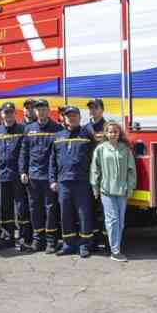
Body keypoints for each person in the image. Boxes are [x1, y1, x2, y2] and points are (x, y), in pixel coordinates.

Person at [50, 106, 95, 258]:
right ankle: (68, 245)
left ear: (79, 117)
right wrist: (52, 180)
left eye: (74, 115)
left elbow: (94, 159)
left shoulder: (87, 134)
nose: (72, 118)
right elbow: (52, 161)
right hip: (63, 182)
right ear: (64, 118)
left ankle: (85, 245)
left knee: (84, 214)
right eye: (69, 116)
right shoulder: (57, 136)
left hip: (82, 181)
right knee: (65, 214)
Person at [19, 99, 63, 253]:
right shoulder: (29, 129)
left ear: (48, 110)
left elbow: (59, 155)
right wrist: (23, 171)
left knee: (50, 209)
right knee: (35, 209)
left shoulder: (57, 129)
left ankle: (51, 241)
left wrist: (55, 177)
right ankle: (38, 240)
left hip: (49, 178)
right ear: (35, 112)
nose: (41, 112)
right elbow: (24, 152)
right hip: (33, 177)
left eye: (44, 109)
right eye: (38, 109)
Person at [90, 120, 137, 262]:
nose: (113, 134)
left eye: (115, 132)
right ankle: (115, 251)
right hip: (107, 190)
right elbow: (95, 169)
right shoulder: (100, 149)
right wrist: (95, 187)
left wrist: (130, 187)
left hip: (122, 191)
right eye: (110, 132)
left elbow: (131, 170)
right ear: (106, 133)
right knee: (112, 220)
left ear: (119, 133)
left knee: (121, 222)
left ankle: (117, 247)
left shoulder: (125, 149)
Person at [0, 101, 31, 250]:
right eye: (5, 112)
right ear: (2, 114)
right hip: (2, 175)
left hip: (18, 175)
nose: (8, 115)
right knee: (5, 208)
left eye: (11, 112)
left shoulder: (23, 129)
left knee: (21, 208)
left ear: (15, 113)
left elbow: (26, 153)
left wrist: (23, 171)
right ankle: (7, 237)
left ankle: (23, 238)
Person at [82, 98, 110, 254]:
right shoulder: (85, 128)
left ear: (102, 109)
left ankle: (107, 242)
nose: (92, 110)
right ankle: (93, 241)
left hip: (104, 174)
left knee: (105, 209)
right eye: (91, 108)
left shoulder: (108, 128)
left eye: (96, 107)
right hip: (88, 174)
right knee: (90, 209)